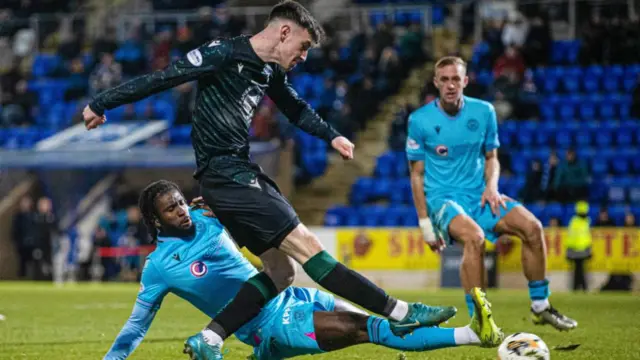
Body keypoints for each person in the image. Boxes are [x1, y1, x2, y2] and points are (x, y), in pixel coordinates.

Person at [82, 1, 455, 358]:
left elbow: (294, 107)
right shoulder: (223, 53)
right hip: (226, 175)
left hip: (236, 174)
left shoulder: (268, 71)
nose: (304, 56)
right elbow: (163, 78)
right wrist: (102, 103)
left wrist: (332, 136)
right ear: (284, 32)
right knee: (308, 248)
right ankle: (402, 312)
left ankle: (210, 337)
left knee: (282, 271)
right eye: (303, 46)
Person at [103, 180, 494, 360]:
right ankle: (471, 336)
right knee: (364, 330)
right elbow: (138, 324)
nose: (181, 211)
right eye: (171, 209)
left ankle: (474, 334)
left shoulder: (209, 219)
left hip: (293, 294)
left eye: (181, 202)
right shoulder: (158, 267)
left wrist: (229, 206)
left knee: (369, 322)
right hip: (267, 325)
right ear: (156, 221)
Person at [406, 56, 578, 346]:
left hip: (480, 196)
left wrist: (493, 187)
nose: (450, 85)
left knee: (533, 227)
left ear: (465, 81)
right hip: (443, 199)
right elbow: (416, 176)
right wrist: (425, 224)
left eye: (455, 79)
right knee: (474, 239)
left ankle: (540, 306)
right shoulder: (419, 120)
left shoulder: (484, 111)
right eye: (444, 79)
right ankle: (480, 320)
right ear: (436, 83)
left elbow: (492, 157)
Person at [565, 201, 592, 292]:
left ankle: (578, 287)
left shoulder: (574, 221)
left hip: (578, 250)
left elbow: (571, 237)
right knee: (580, 270)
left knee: (579, 270)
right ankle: (582, 288)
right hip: (580, 250)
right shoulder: (585, 222)